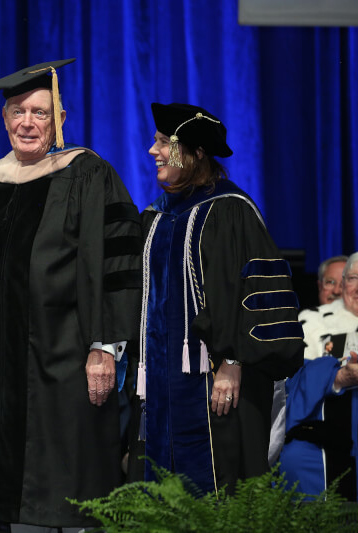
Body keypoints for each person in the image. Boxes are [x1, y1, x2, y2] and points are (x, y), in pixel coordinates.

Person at [0, 59, 142, 530]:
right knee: (15, 488)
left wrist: (105, 348)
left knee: (78, 482)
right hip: (7, 364)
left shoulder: (86, 174)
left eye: (40, 113)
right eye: (18, 112)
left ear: (61, 119)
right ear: (4, 119)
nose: (27, 122)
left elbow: (117, 264)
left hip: (72, 358)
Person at [128, 103, 304, 496]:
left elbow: (254, 295)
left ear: (194, 153)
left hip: (218, 381)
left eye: (162, 143)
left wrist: (232, 361)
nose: (153, 151)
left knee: (219, 486)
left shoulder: (230, 211)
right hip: (161, 384)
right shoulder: (155, 218)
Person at [280, 252, 358, 500]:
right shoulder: (311, 322)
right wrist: (338, 377)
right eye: (353, 278)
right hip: (324, 437)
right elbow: (293, 381)